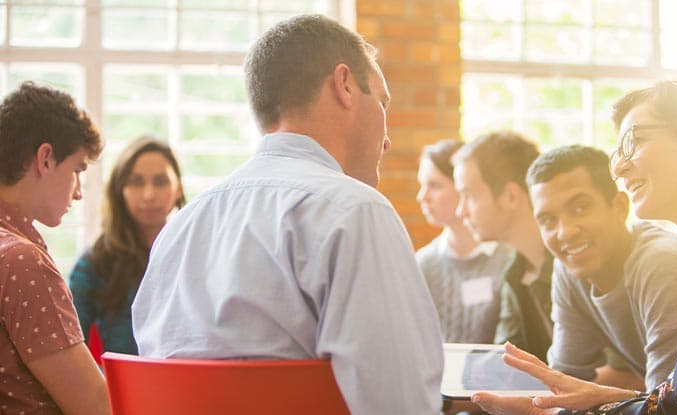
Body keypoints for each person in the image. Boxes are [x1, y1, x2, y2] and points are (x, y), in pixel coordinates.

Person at [131, 14, 444, 414]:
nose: (387, 139)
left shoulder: (181, 228)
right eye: (382, 103)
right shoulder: (355, 213)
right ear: (345, 85)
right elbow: (400, 404)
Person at [472, 77, 677, 415]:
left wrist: (594, 401)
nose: (621, 168)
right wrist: (591, 398)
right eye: (618, 151)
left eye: (635, 141)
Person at [527, 144, 677, 390]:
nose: (565, 232)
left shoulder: (662, 264)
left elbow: (670, 403)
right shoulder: (570, 268)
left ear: (619, 207)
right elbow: (563, 382)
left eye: (580, 208)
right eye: (548, 220)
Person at [0, 82, 110, 414]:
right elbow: (95, 406)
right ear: (45, 158)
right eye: (77, 170)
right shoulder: (22, 261)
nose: (78, 193)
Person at [69, 136, 185, 355]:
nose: (149, 195)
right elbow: (70, 349)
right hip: (119, 386)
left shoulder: (194, 255)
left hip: (188, 382)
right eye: (137, 182)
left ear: (178, 188)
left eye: (160, 182)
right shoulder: (95, 264)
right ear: (119, 190)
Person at [452, 131, 553, 362]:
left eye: (469, 196)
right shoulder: (516, 273)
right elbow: (506, 361)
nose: (461, 211)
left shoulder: (576, 262)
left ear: (510, 196)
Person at [416, 139, 515, 344]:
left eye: (434, 185)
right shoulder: (422, 263)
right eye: (421, 185)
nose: (422, 197)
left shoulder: (510, 258)